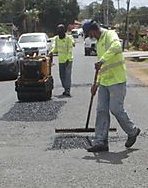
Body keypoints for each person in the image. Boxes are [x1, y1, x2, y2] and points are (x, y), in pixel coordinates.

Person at [81, 19, 140, 152]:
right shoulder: (99, 42)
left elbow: (117, 47)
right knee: (101, 110)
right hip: (104, 82)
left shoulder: (110, 35)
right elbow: (101, 68)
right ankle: (100, 142)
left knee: (115, 109)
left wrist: (102, 60)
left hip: (117, 80)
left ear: (93, 29)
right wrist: (96, 83)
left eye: (89, 33)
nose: (89, 36)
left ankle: (132, 131)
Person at [51, 24, 74, 97]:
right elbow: (55, 48)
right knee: (62, 76)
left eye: (60, 30)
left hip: (68, 60)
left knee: (67, 76)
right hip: (61, 61)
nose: (59, 32)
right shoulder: (57, 39)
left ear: (64, 31)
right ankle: (65, 88)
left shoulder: (68, 38)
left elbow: (70, 49)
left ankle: (67, 91)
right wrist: (51, 52)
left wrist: (68, 59)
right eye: (58, 30)